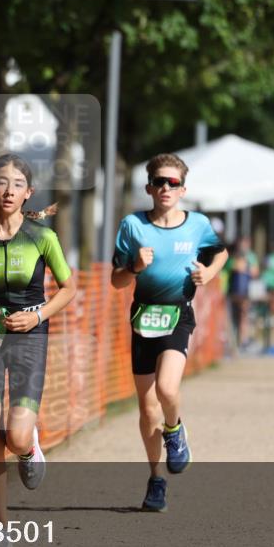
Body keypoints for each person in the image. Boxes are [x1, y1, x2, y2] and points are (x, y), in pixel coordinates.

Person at [0, 152, 76, 547]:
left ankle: (30, 446)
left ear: (29, 193)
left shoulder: (43, 237)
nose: (8, 190)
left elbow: (69, 289)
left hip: (29, 339)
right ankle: (2, 527)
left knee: (16, 436)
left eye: (17, 184)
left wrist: (37, 314)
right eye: (1, 182)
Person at [110, 153, 227, 513]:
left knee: (167, 389)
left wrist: (208, 274)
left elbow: (220, 252)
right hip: (143, 318)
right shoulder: (132, 226)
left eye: (172, 183)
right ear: (148, 187)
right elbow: (117, 280)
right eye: (159, 181)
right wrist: (134, 266)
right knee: (146, 410)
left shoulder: (197, 225)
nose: (165, 187)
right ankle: (155, 479)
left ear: (183, 189)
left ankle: (175, 431)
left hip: (178, 314)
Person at [227, 237, 260, 352]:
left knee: (243, 317)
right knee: (231, 318)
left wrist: (245, 268)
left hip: (245, 292)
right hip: (233, 293)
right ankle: (232, 342)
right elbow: (231, 267)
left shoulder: (251, 257)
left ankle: (243, 340)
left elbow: (255, 271)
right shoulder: (233, 257)